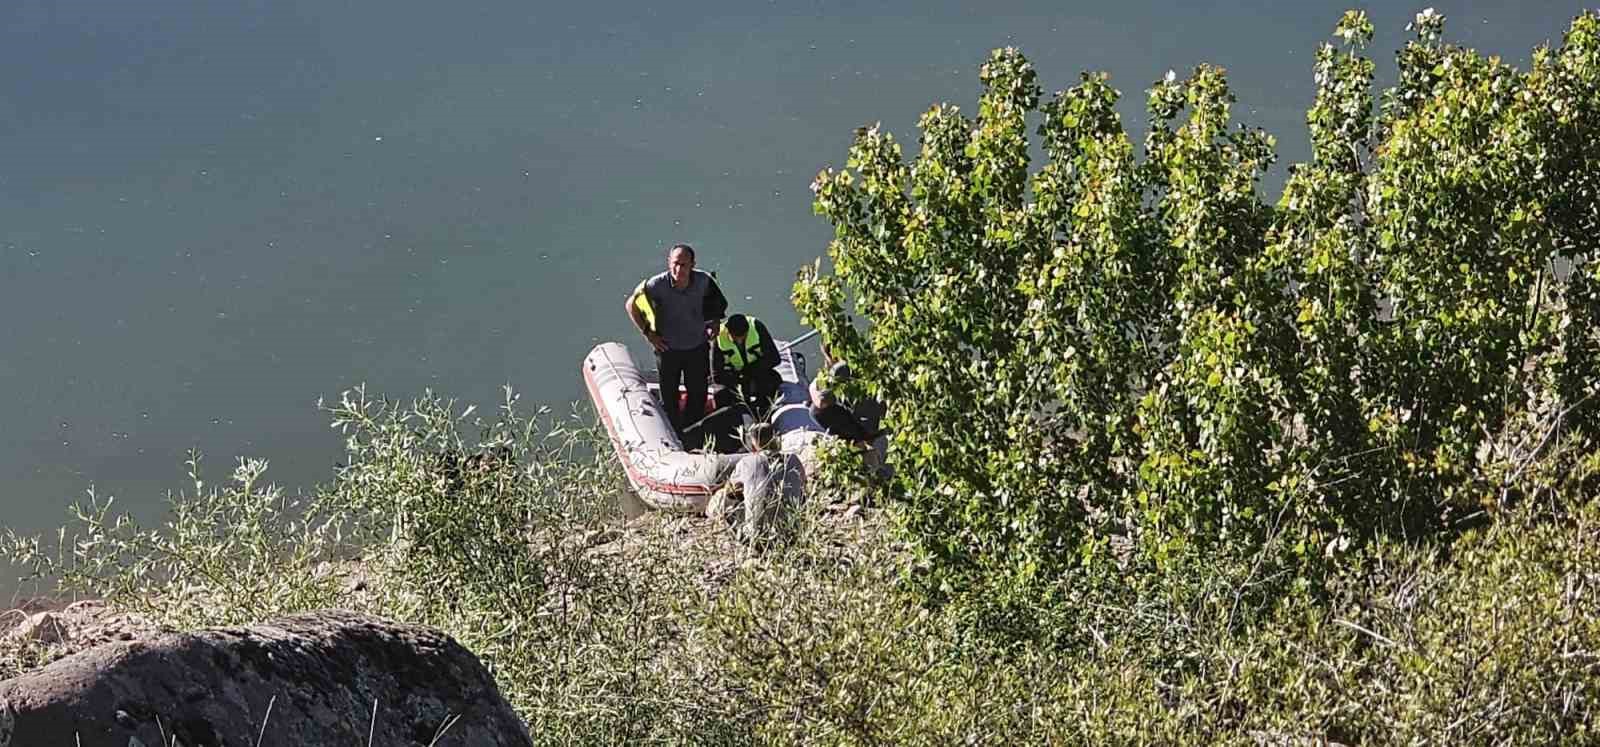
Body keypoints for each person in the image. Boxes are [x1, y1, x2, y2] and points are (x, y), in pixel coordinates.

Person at [626, 244, 728, 440]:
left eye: (684, 264)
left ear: (693, 265)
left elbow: (718, 305)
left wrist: (715, 323)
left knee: (697, 393)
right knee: (669, 395)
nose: (679, 269)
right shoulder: (656, 285)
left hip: (697, 347)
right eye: (675, 264)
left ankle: (695, 431)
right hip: (668, 349)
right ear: (668, 263)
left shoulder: (704, 281)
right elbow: (631, 305)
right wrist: (649, 334)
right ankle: (672, 433)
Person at [705, 422, 806, 545]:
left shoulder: (747, 462)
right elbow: (803, 485)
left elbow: (730, 490)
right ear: (776, 437)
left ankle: (743, 537)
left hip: (758, 537)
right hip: (791, 533)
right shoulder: (793, 459)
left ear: (754, 442)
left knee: (720, 498)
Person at [713, 313, 782, 418]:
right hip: (735, 378)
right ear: (728, 332)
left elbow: (775, 359)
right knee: (720, 394)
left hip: (756, 372)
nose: (740, 341)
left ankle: (765, 414)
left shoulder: (757, 327)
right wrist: (738, 379)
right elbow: (716, 374)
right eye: (736, 338)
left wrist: (750, 372)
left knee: (771, 381)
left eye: (742, 337)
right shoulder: (719, 337)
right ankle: (733, 419)